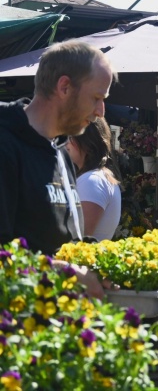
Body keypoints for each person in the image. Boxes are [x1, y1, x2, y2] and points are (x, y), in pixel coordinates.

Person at [0, 39, 117, 298]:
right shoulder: (6, 145)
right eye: (96, 97)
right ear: (64, 86)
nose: (101, 111)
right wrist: (66, 273)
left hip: (60, 330)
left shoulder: (59, 150)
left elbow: (67, 244)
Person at [67, 117, 122, 241]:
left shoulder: (91, 181)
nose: (65, 143)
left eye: (70, 136)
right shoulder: (98, 177)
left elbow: (78, 238)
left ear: (86, 141)